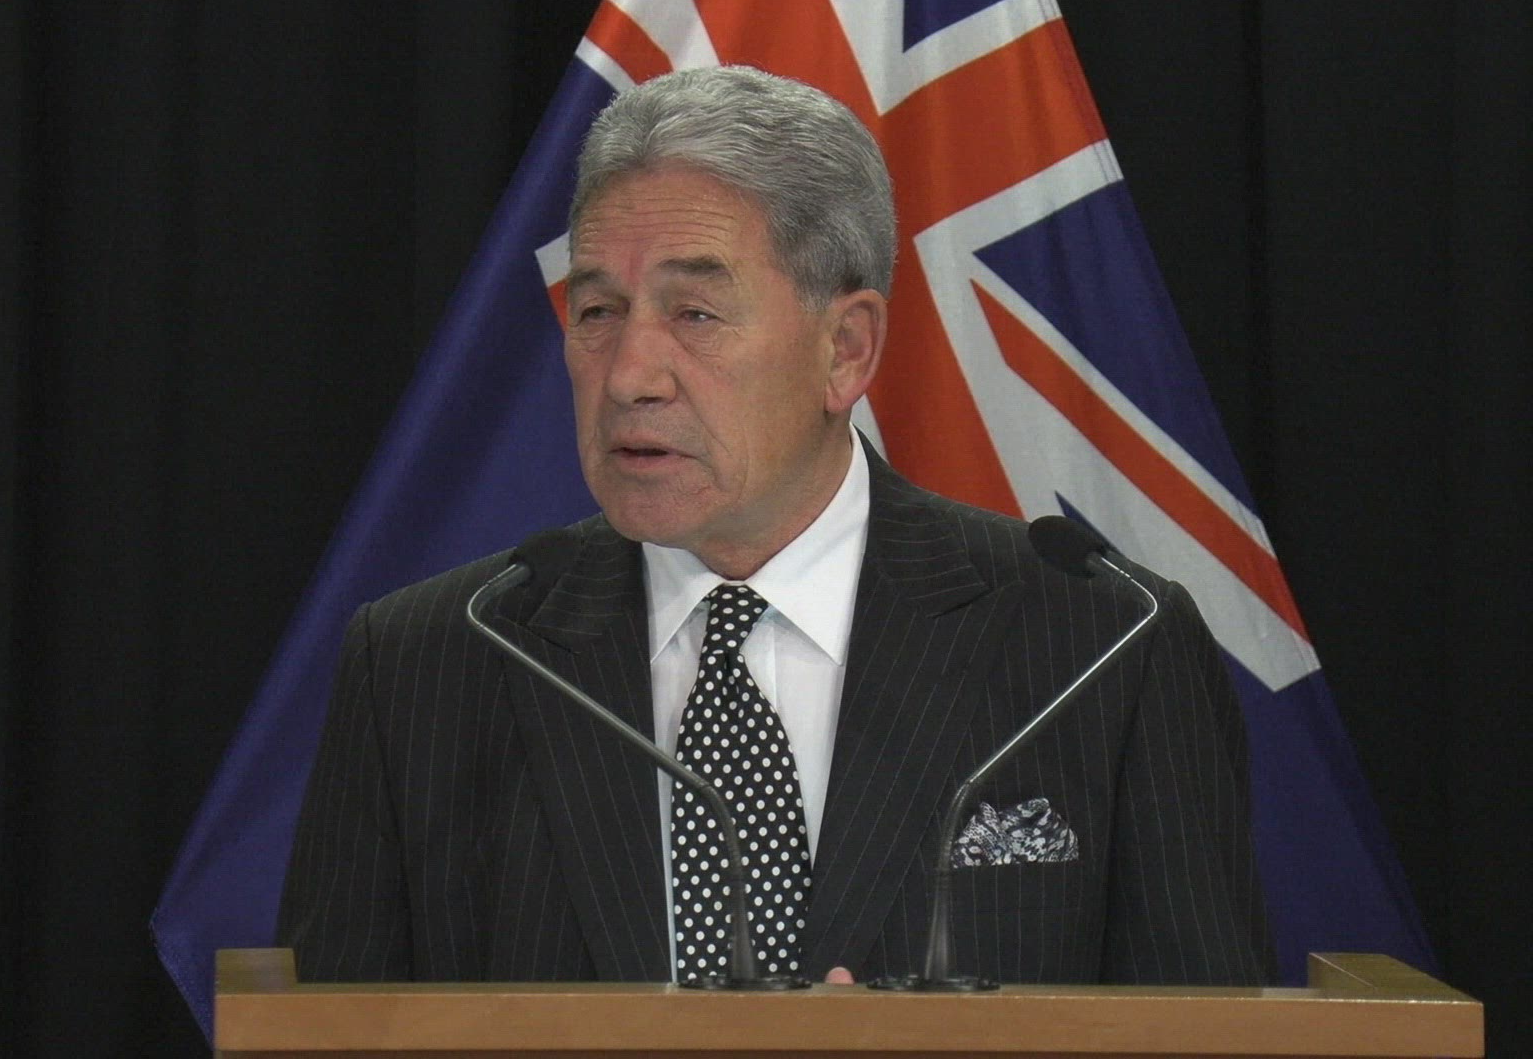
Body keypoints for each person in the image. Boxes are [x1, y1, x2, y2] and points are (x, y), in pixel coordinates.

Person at [277, 65, 1272, 987]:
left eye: (695, 314)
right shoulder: (432, 660)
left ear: (847, 349)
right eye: (598, 311)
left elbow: (1207, 1033)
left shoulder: (1103, 645)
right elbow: (328, 1033)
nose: (629, 375)